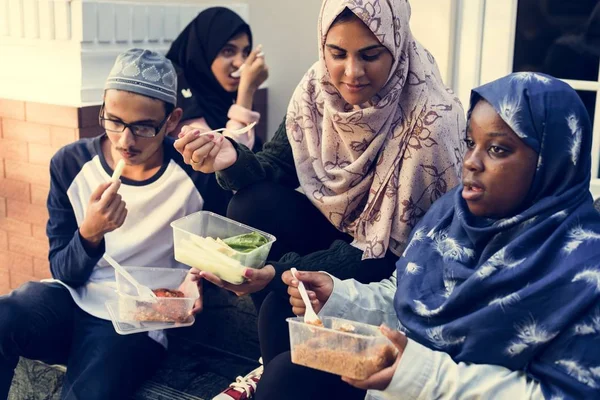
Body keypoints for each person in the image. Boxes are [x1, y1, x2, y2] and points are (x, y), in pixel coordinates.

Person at [176, 1, 466, 398]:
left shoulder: (431, 120)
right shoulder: (317, 87)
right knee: (250, 204)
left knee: (281, 304)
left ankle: (287, 374)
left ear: (397, 45)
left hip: (396, 261)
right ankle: (282, 367)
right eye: (337, 53)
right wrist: (231, 157)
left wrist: (278, 274)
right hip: (343, 234)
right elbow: (276, 165)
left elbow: (394, 253)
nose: (352, 72)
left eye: (370, 54)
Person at [274, 72, 600, 400]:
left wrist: (426, 376)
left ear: (552, 160)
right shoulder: (453, 215)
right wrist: (340, 297)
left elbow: (563, 393)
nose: (471, 161)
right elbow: (407, 299)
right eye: (471, 143)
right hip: (405, 385)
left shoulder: (584, 270)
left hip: (429, 387)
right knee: (289, 372)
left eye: (498, 149)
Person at [0, 49, 231, 400]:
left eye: (143, 126)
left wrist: (198, 279)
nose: (125, 140)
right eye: (114, 121)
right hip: (73, 299)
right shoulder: (71, 162)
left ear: (172, 120)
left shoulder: (193, 176)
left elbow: (220, 255)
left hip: (140, 318)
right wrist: (90, 233)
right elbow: (64, 270)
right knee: (6, 315)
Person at [166, 7, 268, 151]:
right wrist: (247, 91)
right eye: (228, 51)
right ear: (203, 52)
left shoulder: (221, 94)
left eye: (245, 52)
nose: (241, 63)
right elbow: (222, 159)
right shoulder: (179, 92)